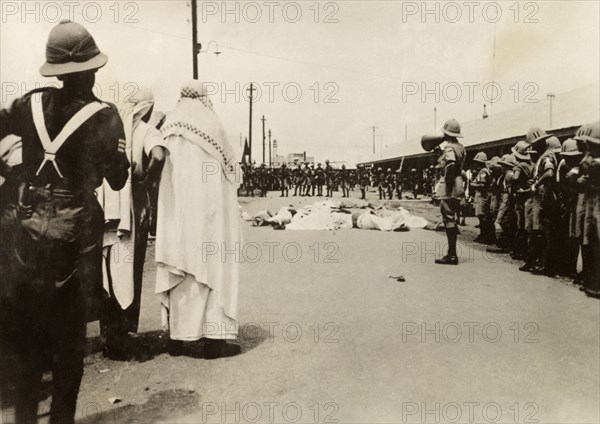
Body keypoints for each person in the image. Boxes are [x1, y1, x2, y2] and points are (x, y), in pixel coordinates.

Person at [0, 20, 130, 423]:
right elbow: (118, 177)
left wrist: (14, 169)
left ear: (54, 71)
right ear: (92, 69)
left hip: (28, 229)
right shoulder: (105, 116)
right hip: (77, 237)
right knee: (69, 340)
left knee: (27, 340)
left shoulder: (28, 105)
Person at [156, 81, 242, 359]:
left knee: (181, 265)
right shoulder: (212, 126)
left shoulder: (168, 128)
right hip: (210, 215)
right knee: (213, 268)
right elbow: (230, 173)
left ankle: (177, 338)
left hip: (178, 214)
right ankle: (214, 341)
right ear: (205, 99)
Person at [97, 88, 167, 360]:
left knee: (106, 269)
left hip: (105, 210)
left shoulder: (108, 128)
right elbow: (159, 156)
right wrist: (147, 180)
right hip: (130, 209)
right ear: (145, 108)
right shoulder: (146, 131)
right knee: (128, 268)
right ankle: (124, 336)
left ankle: (108, 336)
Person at [434, 119, 466, 265]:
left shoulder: (449, 147)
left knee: (448, 218)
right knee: (452, 216)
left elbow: (451, 164)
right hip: (458, 182)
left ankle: (452, 255)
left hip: (450, 184)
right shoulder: (461, 147)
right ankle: (451, 253)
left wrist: (446, 180)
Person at [577, 121, 600, 298]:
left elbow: (586, 166)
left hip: (596, 202)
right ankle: (592, 281)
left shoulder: (594, 163)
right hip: (593, 203)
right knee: (591, 240)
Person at [511, 141, 535, 260]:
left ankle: (520, 251)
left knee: (520, 225)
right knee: (528, 225)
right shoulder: (532, 164)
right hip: (530, 195)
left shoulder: (520, 166)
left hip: (521, 197)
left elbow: (515, 178)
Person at [470, 151, 493, 244]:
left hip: (482, 195)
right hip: (482, 195)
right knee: (482, 216)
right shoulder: (484, 170)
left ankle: (484, 236)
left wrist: (473, 184)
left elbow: (482, 185)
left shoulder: (483, 171)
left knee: (482, 216)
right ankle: (484, 235)